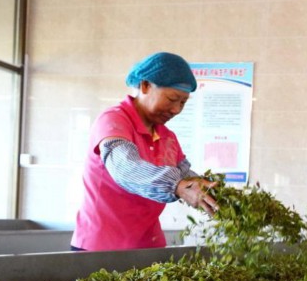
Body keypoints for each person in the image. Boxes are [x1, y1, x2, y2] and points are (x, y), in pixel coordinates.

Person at [71, 52, 217, 251]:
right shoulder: (113, 121)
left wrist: (214, 193)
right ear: (145, 86)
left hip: (149, 246)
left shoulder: (167, 136)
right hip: (101, 247)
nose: (176, 109)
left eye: (183, 103)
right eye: (172, 99)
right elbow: (126, 168)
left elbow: (185, 176)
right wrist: (178, 186)